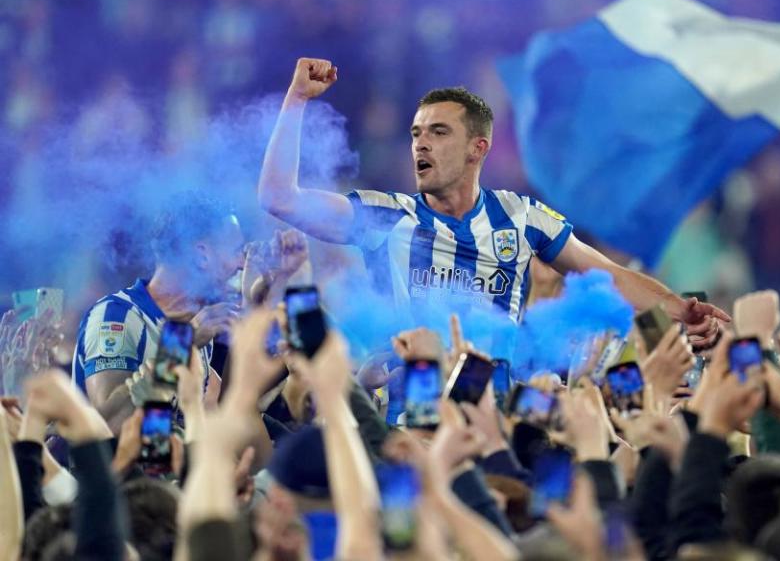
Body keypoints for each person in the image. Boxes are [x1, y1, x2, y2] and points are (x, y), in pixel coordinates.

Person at [258, 58, 727, 333]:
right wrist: (297, 100)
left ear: (477, 148)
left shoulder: (521, 217)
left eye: (439, 132)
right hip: (413, 429)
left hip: (497, 428)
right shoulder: (388, 217)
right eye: (417, 132)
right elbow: (280, 198)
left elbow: (607, 275)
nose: (421, 143)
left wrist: (680, 309)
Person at [71, 191, 306, 432]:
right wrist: (182, 346)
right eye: (236, 251)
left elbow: (226, 415)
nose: (241, 264)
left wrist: (261, 300)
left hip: (170, 466)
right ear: (202, 255)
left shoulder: (198, 323)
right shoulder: (116, 317)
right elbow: (109, 425)